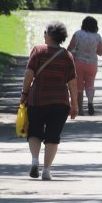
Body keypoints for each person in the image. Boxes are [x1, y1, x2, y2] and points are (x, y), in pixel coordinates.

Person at [20, 21, 79, 181]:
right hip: (60, 102)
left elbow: (29, 75)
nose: (44, 35)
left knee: (34, 132)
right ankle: (46, 170)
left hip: (37, 100)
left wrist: (24, 93)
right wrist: (75, 104)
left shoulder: (38, 51)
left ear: (51, 35)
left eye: (45, 32)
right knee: (53, 136)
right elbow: (72, 82)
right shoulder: (67, 56)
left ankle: (34, 161)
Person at [67, 16, 102, 115]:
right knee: (90, 84)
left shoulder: (77, 34)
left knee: (79, 86)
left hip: (78, 62)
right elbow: (100, 52)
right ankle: (90, 103)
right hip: (92, 64)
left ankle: (80, 110)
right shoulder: (97, 37)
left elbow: (70, 48)